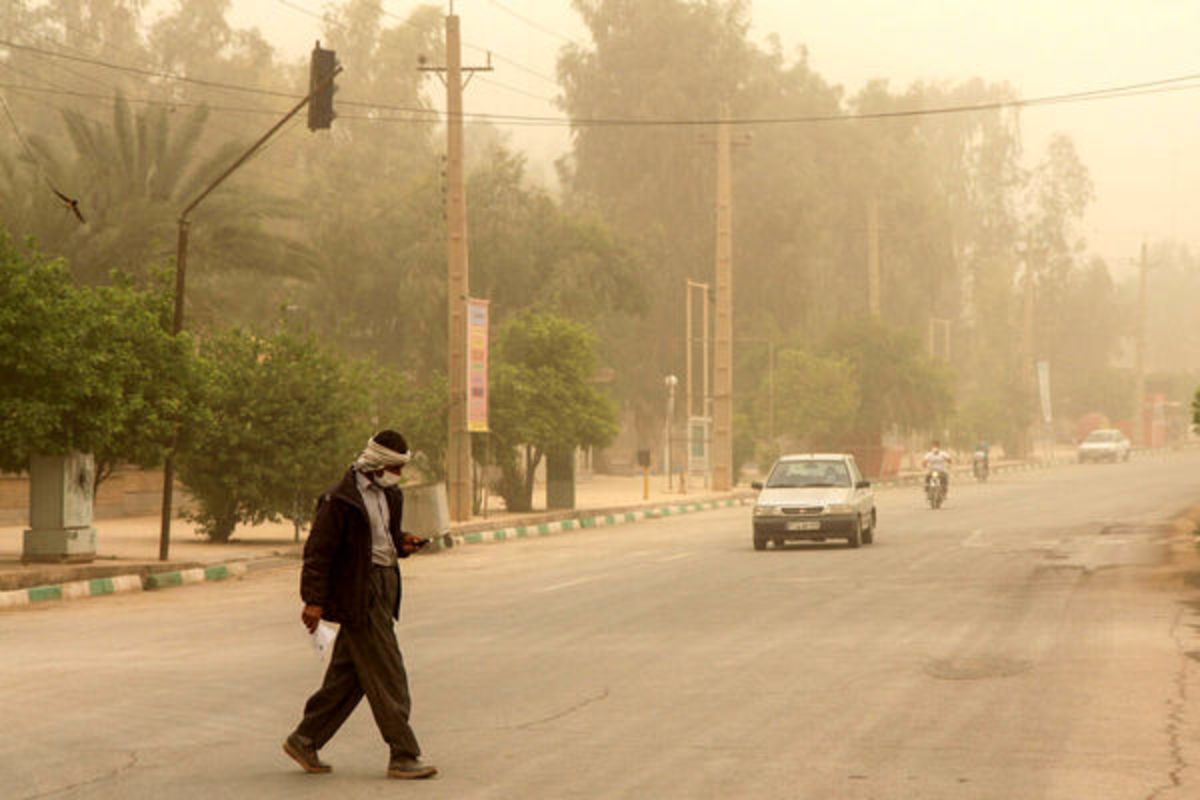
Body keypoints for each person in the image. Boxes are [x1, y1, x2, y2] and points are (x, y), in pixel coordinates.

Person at [283, 429, 437, 780]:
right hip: (359, 592)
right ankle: (403, 753)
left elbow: (384, 539)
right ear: (377, 463)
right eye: (394, 467)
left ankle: (304, 739)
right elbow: (318, 555)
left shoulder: (391, 496)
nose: (397, 475)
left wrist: (403, 543)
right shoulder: (339, 501)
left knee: (349, 677)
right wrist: (313, 601)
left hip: (384, 586)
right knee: (388, 674)